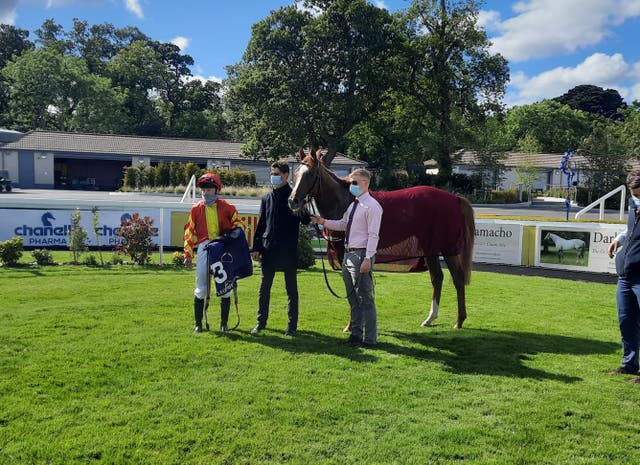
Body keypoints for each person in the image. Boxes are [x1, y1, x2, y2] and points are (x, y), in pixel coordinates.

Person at [310, 168, 383, 348]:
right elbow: (343, 225)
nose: (352, 186)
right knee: (353, 298)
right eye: (351, 183)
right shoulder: (353, 205)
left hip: (361, 254)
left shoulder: (373, 206)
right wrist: (323, 222)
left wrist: (368, 258)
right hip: (349, 254)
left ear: (365, 183)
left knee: (365, 298)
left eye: (355, 183)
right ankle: (356, 335)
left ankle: (370, 339)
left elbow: (374, 235)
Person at [250, 161, 309, 336]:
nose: (273, 176)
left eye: (276, 173)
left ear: (285, 175)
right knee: (264, 288)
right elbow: (261, 224)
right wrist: (256, 247)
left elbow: (305, 220)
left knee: (291, 289)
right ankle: (261, 322)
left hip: (288, 249)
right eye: (272, 173)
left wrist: (302, 204)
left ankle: (292, 326)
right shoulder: (267, 198)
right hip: (269, 248)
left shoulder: (294, 196)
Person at [184, 173, 244, 334]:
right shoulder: (196, 209)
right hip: (204, 248)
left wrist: (228, 237)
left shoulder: (227, 207)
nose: (205, 193)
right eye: (203, 189)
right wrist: (188, 254)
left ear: (217, 190)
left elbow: (239, 225)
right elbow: (189, 232)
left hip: (222, 248)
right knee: (201, 288)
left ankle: (224, 325)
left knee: (225, 286)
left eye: (209, 189)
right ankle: (198, 324)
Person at [607, 169, 640, 383]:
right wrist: (619, 239)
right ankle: (629, 365)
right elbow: (632, 230)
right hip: (625, 275)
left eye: (638, 193)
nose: (636, 197)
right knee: (626, 322)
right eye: (633, 193)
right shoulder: (633, 205)